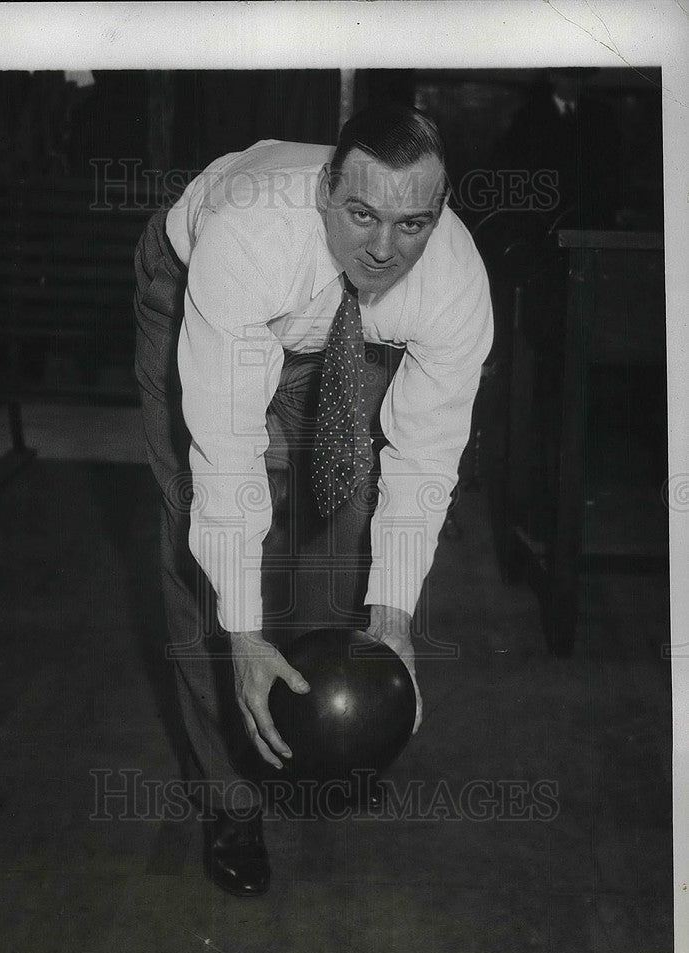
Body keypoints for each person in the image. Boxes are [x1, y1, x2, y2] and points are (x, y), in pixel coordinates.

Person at [134, 104, 493, 897]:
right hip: (197, 283)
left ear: (438, 213)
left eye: (412, 223)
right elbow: (226, 456)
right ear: (325, 192)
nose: (384, 247)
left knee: (348, 522)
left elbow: (425, 457)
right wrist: (244, 632)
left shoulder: (454, 279)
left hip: (339, 333)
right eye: (362, 213)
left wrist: (393, 617)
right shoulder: (251, 240)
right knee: (208, 562)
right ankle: (230, 803)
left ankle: (318, 732)